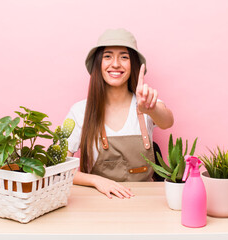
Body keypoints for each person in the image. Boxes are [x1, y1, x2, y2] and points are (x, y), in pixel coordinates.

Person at [66, 28, 174, 199]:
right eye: (108, 56)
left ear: (134, 65)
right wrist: (96, 181)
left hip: (146, 200)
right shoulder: (80, 111)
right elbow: (59, 167)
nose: (115, 64)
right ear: (98, 63)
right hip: (97, 202)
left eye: (124, 57)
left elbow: (167, 121)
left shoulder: (146, 103)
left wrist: (150, 109)